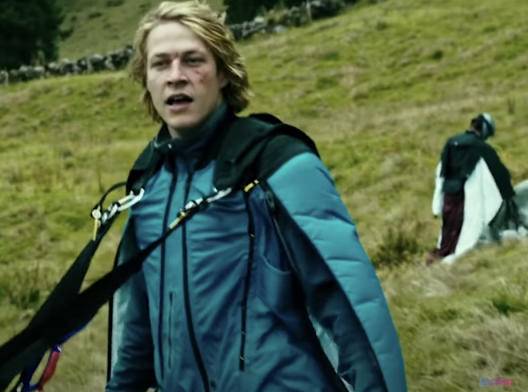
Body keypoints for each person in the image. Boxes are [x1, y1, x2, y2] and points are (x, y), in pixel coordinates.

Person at [106, 2, 407, 391]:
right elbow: (141, 328)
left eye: (193, 60)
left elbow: (345, 307)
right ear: (145, 79)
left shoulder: (277, 164)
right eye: (160, 64)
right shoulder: (148, 184)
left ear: (224, 74)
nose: (176, 77)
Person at [429, 113, 524, 264]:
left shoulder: (451, 142)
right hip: (468, 198)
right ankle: (447, 257)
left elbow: (441, 172)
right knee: (465, 233)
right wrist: (508, 197)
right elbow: (501, 176)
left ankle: (442, 253)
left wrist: (437, 202)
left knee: (449, 229)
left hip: (449, 194)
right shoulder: (481, 148)